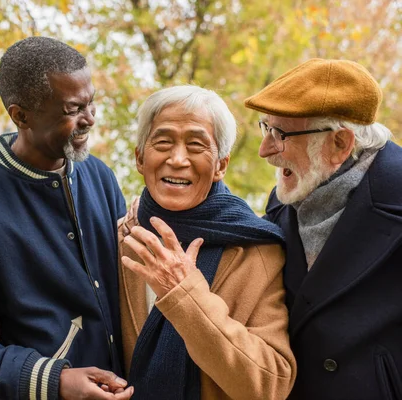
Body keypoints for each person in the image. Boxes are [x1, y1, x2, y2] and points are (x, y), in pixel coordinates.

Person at [0, 37, 133, 400]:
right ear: (21, 115)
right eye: (72, 108)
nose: (90, 119)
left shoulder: (101, 178)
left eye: (91, 102)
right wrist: (55, 380)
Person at [118, 85, 296, 400]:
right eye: (163, 141)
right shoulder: (121, 239)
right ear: (139, 158)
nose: (177, 159)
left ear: (221, 166)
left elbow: (272, 384)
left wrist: (186, 298)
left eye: (196, 145)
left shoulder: (256, 249)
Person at [245, 58, 402, 400]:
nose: (265, 150)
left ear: (339, 144)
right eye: (266, 128)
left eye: (280, 134)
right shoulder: (285, 198)